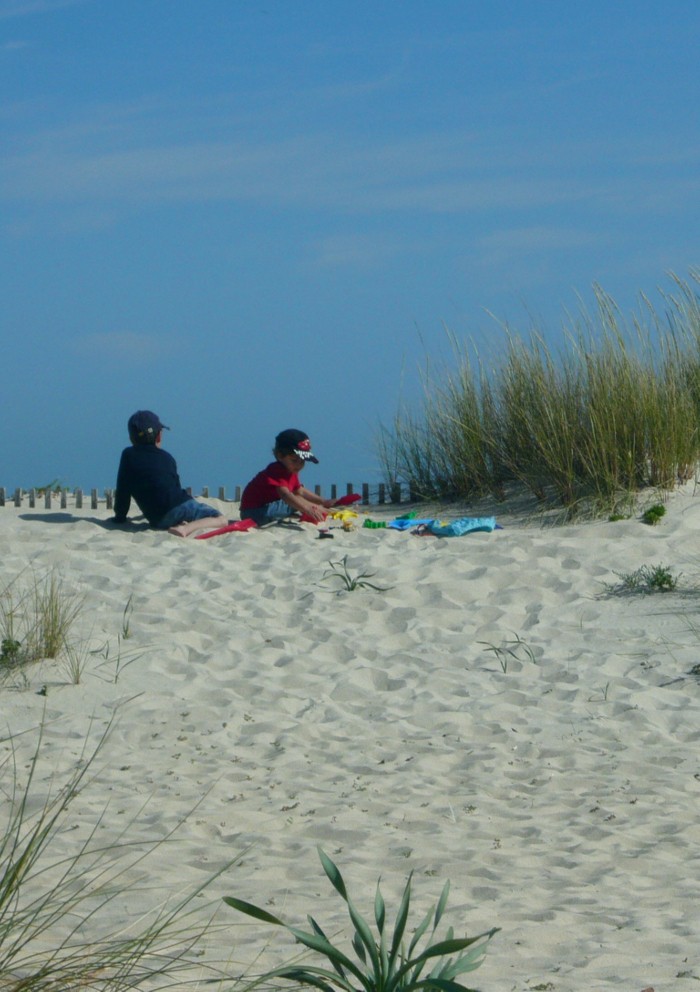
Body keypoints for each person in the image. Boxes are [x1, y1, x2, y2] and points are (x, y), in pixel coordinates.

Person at [112, 410, 227, 537]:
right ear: (159, 436)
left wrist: (120, 516)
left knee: (180, 512)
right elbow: (174, 488)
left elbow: (123, 490)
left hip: (157, 519)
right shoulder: (167, 458)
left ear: (131, 438)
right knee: (221, 519)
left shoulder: (128, 455)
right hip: (178, 505)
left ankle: (183, 523)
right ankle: (187, 528)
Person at [240, 428, 338, 526]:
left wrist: (323, 501)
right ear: (280, 456)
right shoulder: (276, 470)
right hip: (254, 513)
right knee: (293, 501)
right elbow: (286, 495)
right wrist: (308, 508)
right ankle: (315, 508)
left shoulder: (291, 470)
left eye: (302, 461)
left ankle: (317, 507)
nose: (298, 465)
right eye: (294, 460)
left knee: (297, 498)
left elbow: (300, 490)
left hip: (263, 511)